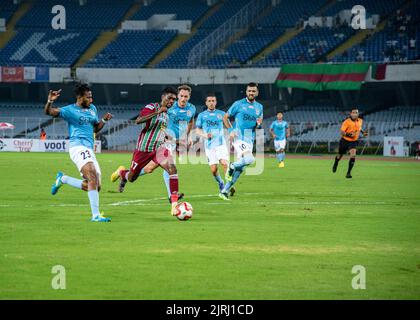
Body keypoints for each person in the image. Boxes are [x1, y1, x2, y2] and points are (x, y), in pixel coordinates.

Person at [45, 83, 112, 222]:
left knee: (96, 186)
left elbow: (95, 128)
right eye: (88, 97)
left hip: (89, 148)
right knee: (92, 175)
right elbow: (49, 112)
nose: (91, 100)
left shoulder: (92, 109)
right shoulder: (70, 110)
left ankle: (63, 179)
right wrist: (50, 101)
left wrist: (104, 120)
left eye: (91, 97)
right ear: (80, 97)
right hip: (77, 147)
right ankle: (95, 215)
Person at [110, 87, 181, 216]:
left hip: (159, 149)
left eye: (174, 99)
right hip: (143, 149)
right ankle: (122, 173)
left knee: (172, 169)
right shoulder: (152, 107)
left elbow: (161, 132)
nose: (171, 101)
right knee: (132, 177)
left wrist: (174, 140)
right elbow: (138, 120)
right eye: (169, 98)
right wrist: (158, 112)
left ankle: (174, 205)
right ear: (163, 97)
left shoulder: (166, 115)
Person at [130, 85, 195, 203]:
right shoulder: (168, 108)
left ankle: (173, 199)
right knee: (166, 168)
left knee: (153, 169)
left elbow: (191, 120)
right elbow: (141, 120)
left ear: (189, 97)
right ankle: (171, 196)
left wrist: (187, 136)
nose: (183, 99)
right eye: (181, 96)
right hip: (162, 142)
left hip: (172, 141)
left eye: (186, 96)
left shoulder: (192, 109)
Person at [219, 82, 263, 200]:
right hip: (239, 137)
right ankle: (232, 165)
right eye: (249, 91)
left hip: (250, 139)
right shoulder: (238, 104)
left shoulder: (259, 107)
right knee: (250, 159)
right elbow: (225, 117)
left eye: (253, 91)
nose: (251, 93)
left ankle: (224, 191)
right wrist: (231, 130)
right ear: (246, 92)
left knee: (240, 170)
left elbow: (258, 124)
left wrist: (258, 125)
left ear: (257, 92)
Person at [195, 93, 234, 195]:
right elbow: (198, 130)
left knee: (225, 163)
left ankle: (228, 186)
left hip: (221, 144)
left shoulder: (221, 114)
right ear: (206, 103)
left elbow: (228, 124)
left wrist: (231, 132)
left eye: (213, 101)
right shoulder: (202, 115)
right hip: (209, 146)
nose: (211, 103)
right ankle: (221, 182)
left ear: (216, 102)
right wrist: (205, 135)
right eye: (209, 101)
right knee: (213, 170)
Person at [332, 108, 368, 178]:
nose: (355, 114)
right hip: (345, 141)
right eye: (353, 112)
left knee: (353, 155)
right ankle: (336, 163)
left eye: (356, 113)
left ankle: (348, 173)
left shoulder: (360, 121)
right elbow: (342, 132)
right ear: (351, 114)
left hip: (353, 141)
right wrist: (349, 135)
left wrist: (363, 132)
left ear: (358, 114)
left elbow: (359, 127)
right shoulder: (346, 122)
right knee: (340, 155)